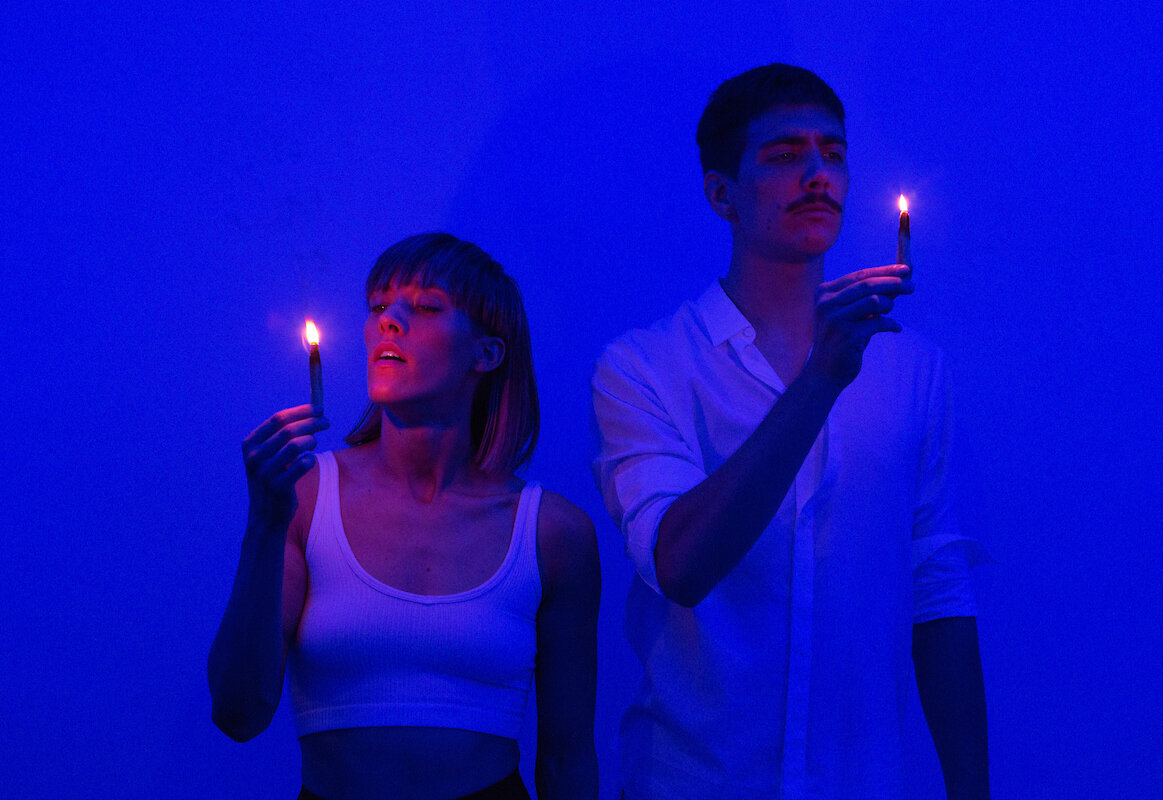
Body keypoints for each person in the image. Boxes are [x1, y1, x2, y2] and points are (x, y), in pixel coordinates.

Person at [591, 65, 989, 799]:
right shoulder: (644, 367)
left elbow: (935, 588)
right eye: (783, 155)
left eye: (833, 153)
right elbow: (680, 566)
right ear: (722, 195)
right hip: (696, 783)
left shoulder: (913, 370)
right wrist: (819, 379)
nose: (817, 174)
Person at [209, 233, 600, 800]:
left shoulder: (551, 532)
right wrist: (264, 525)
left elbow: (567, 758)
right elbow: (237, 714)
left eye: (426, 306)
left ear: (488, 353)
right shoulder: (307, 498)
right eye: (377, 306)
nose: (388, 321)